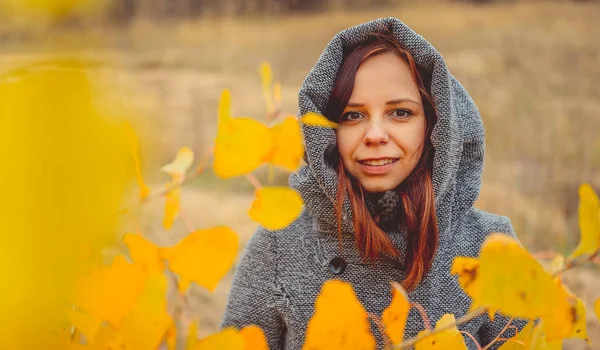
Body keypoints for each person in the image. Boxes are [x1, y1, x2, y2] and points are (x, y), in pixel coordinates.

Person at [220, 17, 523, 349]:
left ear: (438, 126)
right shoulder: (281, 241)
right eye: (353, 115)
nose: (375, 135)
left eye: (400, 113)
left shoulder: (490, 246)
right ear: (327, 132)